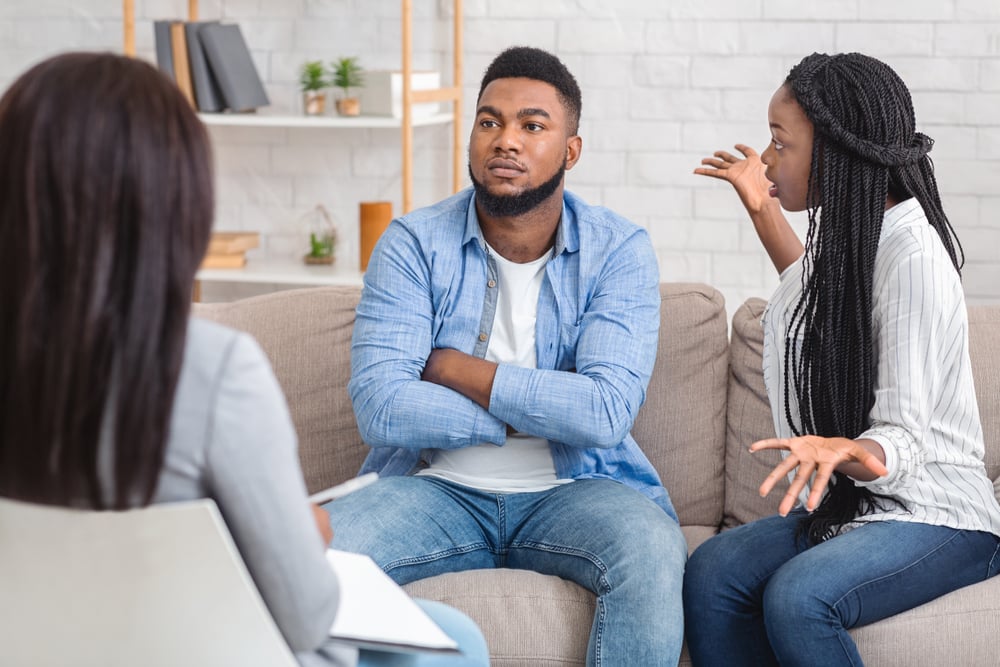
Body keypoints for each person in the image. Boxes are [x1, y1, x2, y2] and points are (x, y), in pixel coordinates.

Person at [0, 52, 487, 667]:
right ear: (173, 201)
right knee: (455, 641)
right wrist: (303, 536)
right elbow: (305, 614)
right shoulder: (210, 368)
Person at [325, 46, 687, 665]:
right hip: (434, 487)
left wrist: (457, 370)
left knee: (651, 550)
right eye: (489, 121)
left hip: (576, 489)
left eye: (532, 125)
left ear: (570, 151)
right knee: (319, 561)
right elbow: (381, 407)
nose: (505, 141)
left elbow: (602, 416)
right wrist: (539, 406)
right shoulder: (413, 243)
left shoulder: (619, 250)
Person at [682, 51, 1000, 666]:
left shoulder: (915, 260)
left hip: (939, 515)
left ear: (833, 152)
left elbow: (901, 440)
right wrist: (761, 205)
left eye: (781, 144)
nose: (767, 159)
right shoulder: (860, 229)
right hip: (865, 509)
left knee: (799, 597)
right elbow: (817, 302)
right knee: (714, 567)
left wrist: (845, 450)